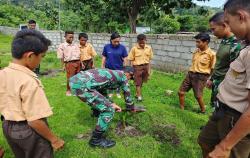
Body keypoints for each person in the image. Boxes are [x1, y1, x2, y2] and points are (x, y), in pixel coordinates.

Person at [0, 29, 64, 158]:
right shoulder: (29, 81)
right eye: (41, 57)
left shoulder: (3, 73)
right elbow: (34, 121)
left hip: (7, 127)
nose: (40, 61)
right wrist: (54, 140)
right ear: (30, 56)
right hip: (28, 132)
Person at [198, 0, 250, 157]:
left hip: (235, 117)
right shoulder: (246, 46)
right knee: (205, 141)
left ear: (241, 16)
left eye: (228, 22)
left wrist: (225, 146)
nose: (229, 28)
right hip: (222, 109)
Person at [69, 67, 146, 148]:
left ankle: (96, 113)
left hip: (75, 81)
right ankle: (96, 140)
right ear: (129, 73)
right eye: (131, 77)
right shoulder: (123, 76)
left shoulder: (112, 73)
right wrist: (131, 108)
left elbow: (101, 92)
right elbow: (127, 93)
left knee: (104, 104)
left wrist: (112, 103)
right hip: (82, 86)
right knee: (109, 110)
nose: (129, 79)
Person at [207, 12, 242, 108]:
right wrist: (212, 78)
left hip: (225, 86)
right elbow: (220, 63)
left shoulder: (236, 45)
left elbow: (235, 72)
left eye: (213, 29)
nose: (212, 32)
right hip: (217, 83)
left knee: (222, 113)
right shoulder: (224, 41)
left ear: (224, 25)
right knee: (215, 110)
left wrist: (226, 86)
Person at [178, 33, 216, 113]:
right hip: (190, 74)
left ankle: (203, 110)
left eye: (199, 42)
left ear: (206, 42)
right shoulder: (196, 51)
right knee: (181, 92)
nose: (196, 44)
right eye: (196, 42)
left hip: (201, 77)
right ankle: (181, 109)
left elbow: (213, 68)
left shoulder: (212, 54)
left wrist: (210, 79)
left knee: (198, 96)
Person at [102, 32, 128, 98]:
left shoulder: (122, 48)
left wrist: (125, 67)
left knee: (118, 80)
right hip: (109, 67)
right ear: (111, 40)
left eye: (118, 41)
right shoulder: (106, 47)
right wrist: (102, 66)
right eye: (115, 41)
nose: (117, 43)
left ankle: (118, 92)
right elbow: (104, 57)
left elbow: (125, 58)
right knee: (110, 80)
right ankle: (110, 92)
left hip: (119, 68)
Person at [128, 34, 153, 102]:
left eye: (143, 42)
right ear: (137, 41)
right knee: (137, 81)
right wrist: (130, 70)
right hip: (137, 67)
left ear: (146, 40)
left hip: (146, 66)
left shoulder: (149, 48)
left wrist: (149, 70)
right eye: (140, 43)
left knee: (142, 80)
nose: (142, 44)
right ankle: (139, 96)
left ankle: (137, 93)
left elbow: (149, 60)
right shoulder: (134, 48)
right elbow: (130, 59)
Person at [57, 31, 81, 96]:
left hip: (78, 62)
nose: (71, 38)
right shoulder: (62, 46)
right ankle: (68, 90)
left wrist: (81, 63)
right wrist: (63, 66)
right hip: (70, 63)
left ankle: (76, 90)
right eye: (70, 37)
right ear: (65, 37)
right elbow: (61, 57)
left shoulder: (76, 45)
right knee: (70, 77)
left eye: (72, 37)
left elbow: (79, 54)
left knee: (78, 77)